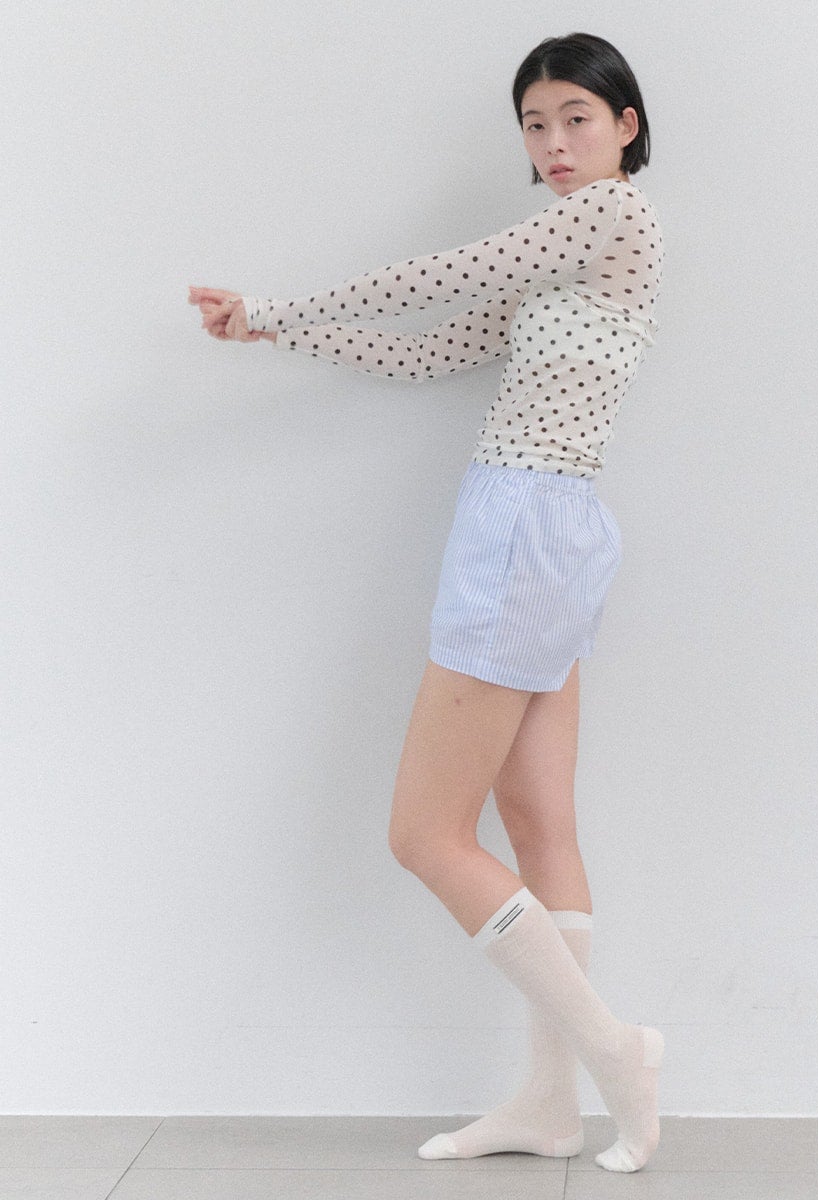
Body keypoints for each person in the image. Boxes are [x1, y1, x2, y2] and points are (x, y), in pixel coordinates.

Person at [188, 31, 665, 1173]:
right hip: (555, 526)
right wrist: (280, 328)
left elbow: (445, 273)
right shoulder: (562, 259)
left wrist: (280, 294)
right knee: (537, 822)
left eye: (577, 118)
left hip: (521, 523)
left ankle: (614, 1052)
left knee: (423, 834)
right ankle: (551, 1104)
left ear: (626, 126)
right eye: (536, 125)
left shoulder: (609, 214)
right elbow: (431, 349)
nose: (554, 143)